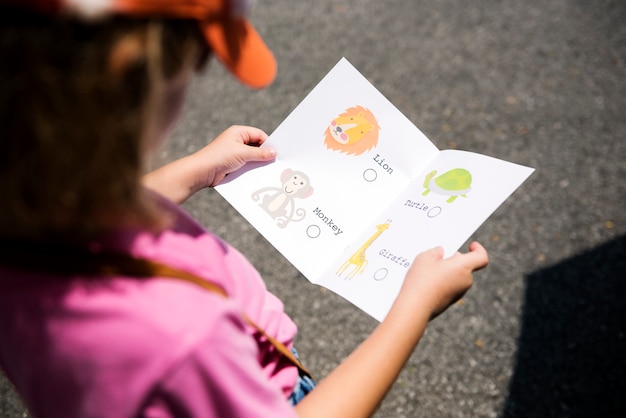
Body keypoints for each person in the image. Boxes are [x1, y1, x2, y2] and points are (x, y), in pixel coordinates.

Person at [0, 0, 489, 417]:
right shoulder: (184, 339)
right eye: (195, 65)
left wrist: (195, 169)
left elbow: (81, 220)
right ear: (129, 77)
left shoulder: (25, 216)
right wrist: (412, 309)